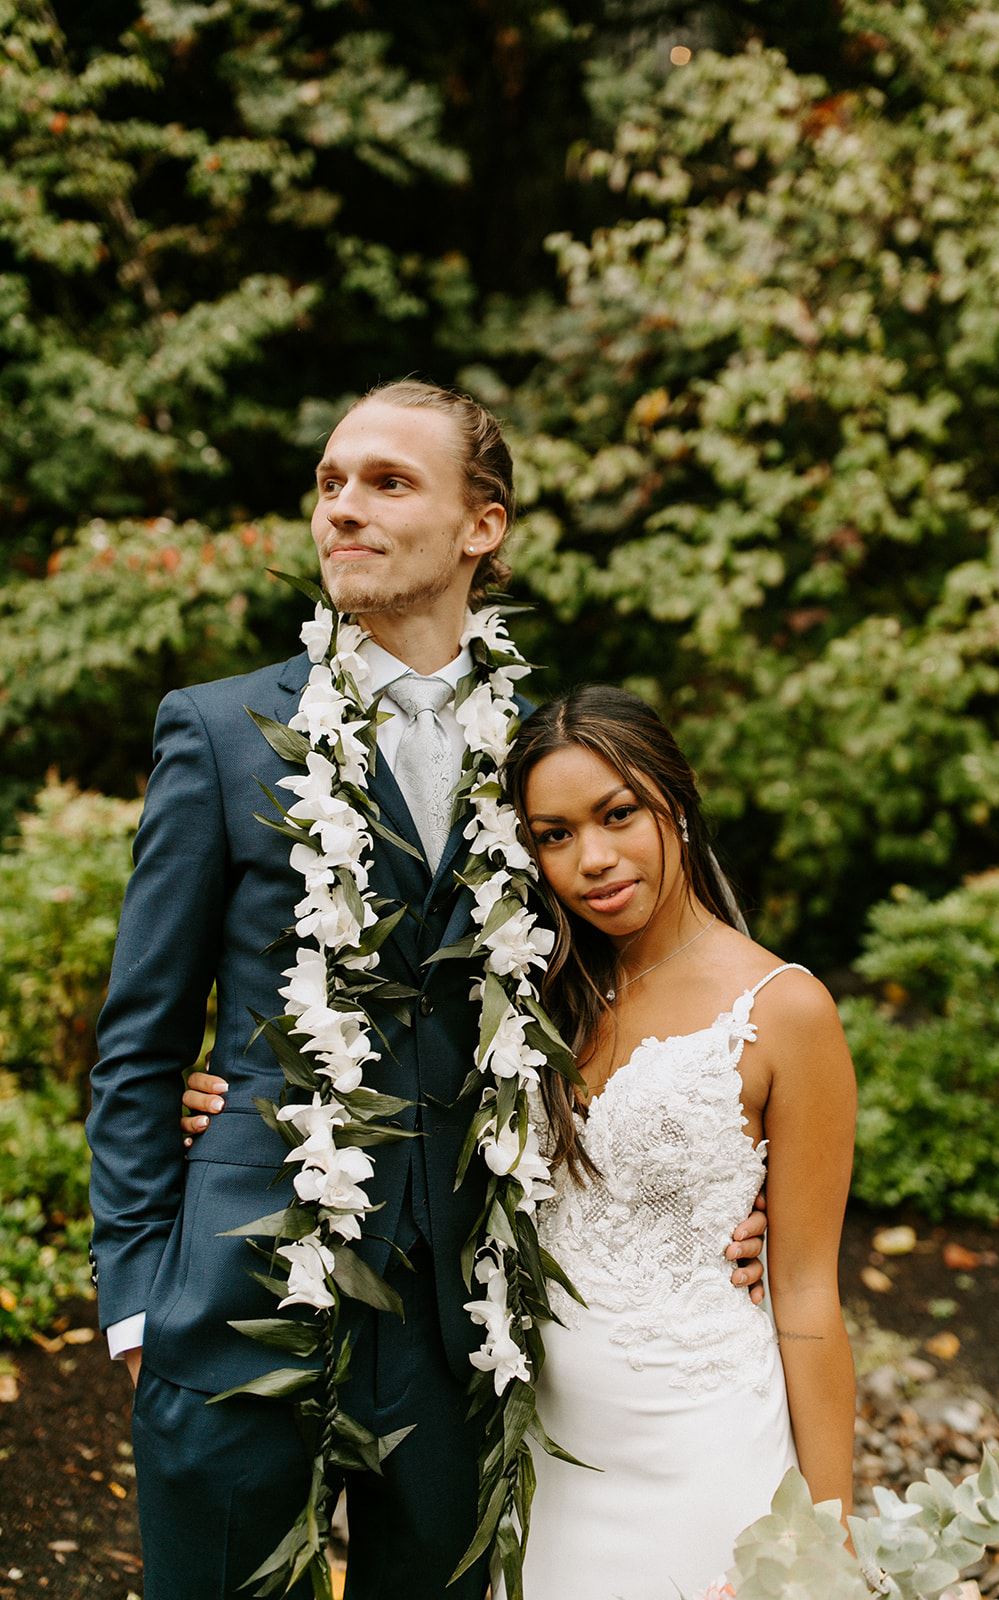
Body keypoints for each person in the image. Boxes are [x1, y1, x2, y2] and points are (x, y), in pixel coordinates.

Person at [89, 379, 769, 1600]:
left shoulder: (551, 752)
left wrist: (724, 1177)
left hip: (474, 1325)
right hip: (242, 1298)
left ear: (481, 526)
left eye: (388, 482)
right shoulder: (220, 730)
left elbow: (645, 989)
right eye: (330, 483)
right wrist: (139, 1298)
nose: (343, 509)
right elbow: (136, 1043)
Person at [494, 684, 857, 1599]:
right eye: (555, 834)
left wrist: (824, 1539)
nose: (594, 859)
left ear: (676, 806)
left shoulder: (782, 1010)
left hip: (702, 1454)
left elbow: (809, 1290)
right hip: (545, 1464)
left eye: (619, 815)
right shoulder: (533, 997)